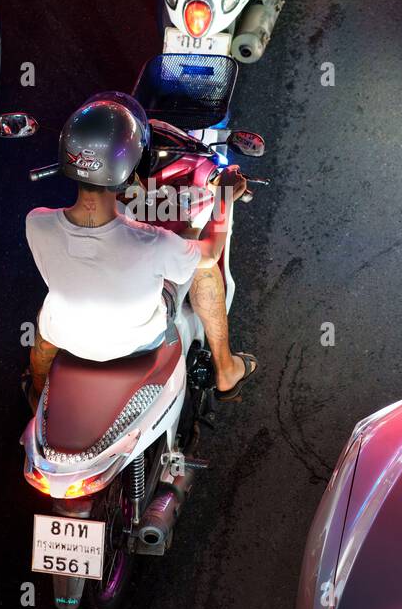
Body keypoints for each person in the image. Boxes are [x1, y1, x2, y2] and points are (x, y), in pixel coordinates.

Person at [25, 93, 257, 405]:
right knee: (202, 270)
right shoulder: (153, 243)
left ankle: (36, 389)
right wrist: (225, 197)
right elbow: (211, 252)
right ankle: (226, 369)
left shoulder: (37, 223)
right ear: (130, 168)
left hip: (65, 335)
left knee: (46, 317)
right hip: (137, 342)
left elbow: (98, 247)